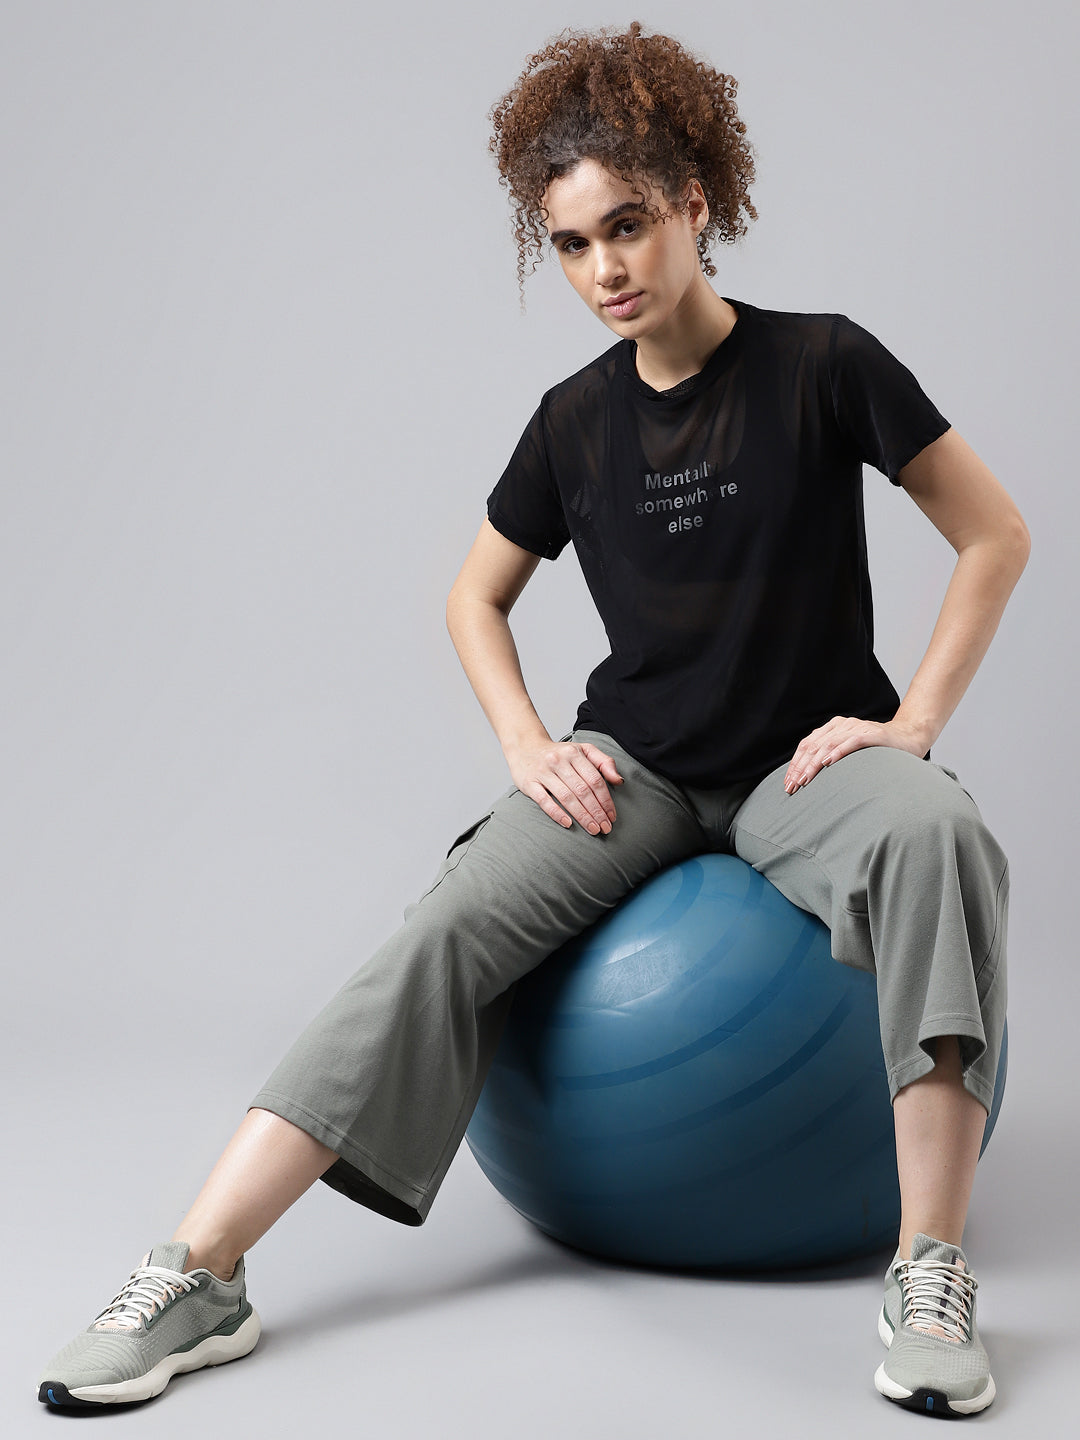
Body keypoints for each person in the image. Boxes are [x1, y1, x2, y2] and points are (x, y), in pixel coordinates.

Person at [37, 21, 1029, 1420]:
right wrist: (524, 747)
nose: (605, 268)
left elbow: (993, 533)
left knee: (937, 836)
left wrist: (912, 723)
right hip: (637, 770)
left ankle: (930, 1271)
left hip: (806, 765)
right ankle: (197, 1273)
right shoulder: (572, 421)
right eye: (570, 245)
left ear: (696, 204)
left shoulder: (824, 362)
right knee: (445, 925)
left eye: (628, 225)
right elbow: (475, 597)